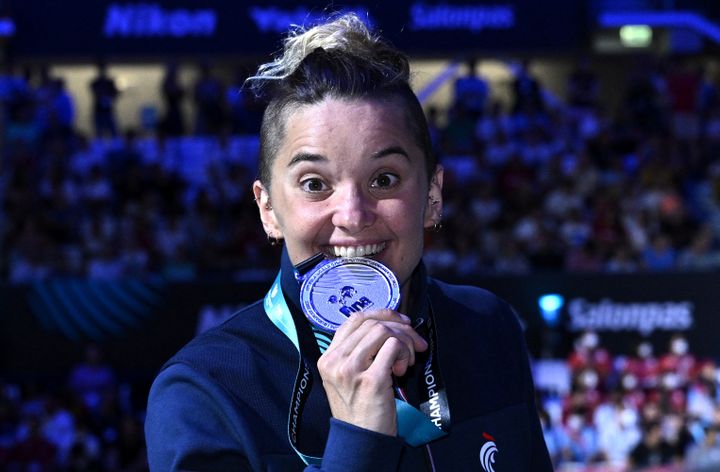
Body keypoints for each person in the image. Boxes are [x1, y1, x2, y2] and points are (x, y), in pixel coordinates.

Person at [145, 14, 552, 471]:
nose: (354, 216)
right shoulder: (205, 391)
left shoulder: (488, 328)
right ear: (268, 209)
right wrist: (359, 442)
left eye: (384, 179)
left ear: (432, 197)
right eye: (315, 184)